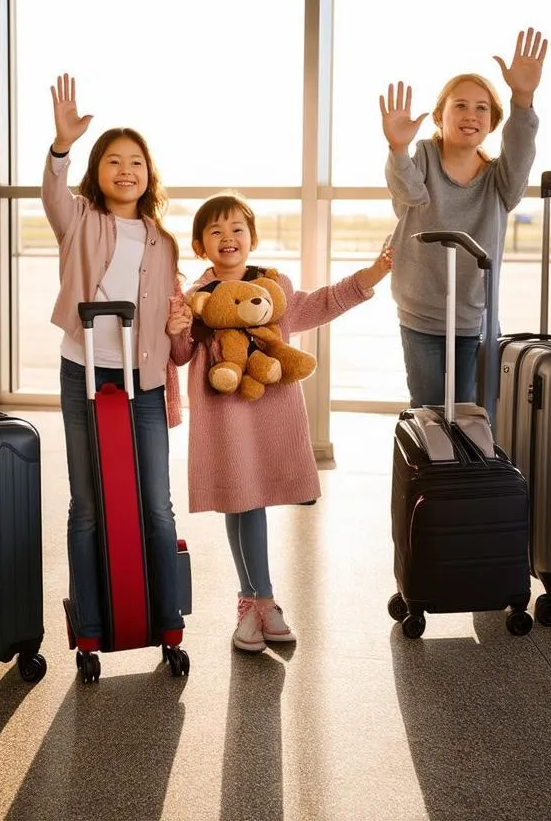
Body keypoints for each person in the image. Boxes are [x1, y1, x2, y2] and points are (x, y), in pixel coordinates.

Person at [167, 192, 392, 652]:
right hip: (224, 417)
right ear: (199, 246)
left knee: (249, 504)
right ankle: (262, 601)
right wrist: (175, 330)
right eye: (215, 231)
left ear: (252, 238)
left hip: (269, 415)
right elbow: (180, 356)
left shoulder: (274, 288)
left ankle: (252, 602)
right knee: (241, 503)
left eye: (236, 230)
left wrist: (375, 273)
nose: (227, 238)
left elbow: (323, 302)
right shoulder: (194, 299)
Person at [41, 72, 185, 654]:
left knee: (155, 503)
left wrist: (182, 331)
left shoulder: (164, 240)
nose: (126, 171)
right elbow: (52, 195)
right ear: (97, 171)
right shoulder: (79, 219)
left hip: (144, 381)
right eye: (114, 162)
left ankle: (167, 621)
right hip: (84, 370)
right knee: (88, 505)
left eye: (137, 163)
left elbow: (179, 341)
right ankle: (92, 629)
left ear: (149, 175)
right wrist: (60, 148)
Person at [381, 27, 548, 408]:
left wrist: (523, 99)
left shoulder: (500, 182)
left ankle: (473, 471)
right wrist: (397, 147)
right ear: (440, 116)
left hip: (477, 322)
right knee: (430, 414)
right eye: (460, 105)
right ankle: (434, 471)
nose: (471, 115)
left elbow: (521, 150)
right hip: (422, 316)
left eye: (482, 108)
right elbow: (408, 193)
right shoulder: (420, 156)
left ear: (493, 124)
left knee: (476, 417)